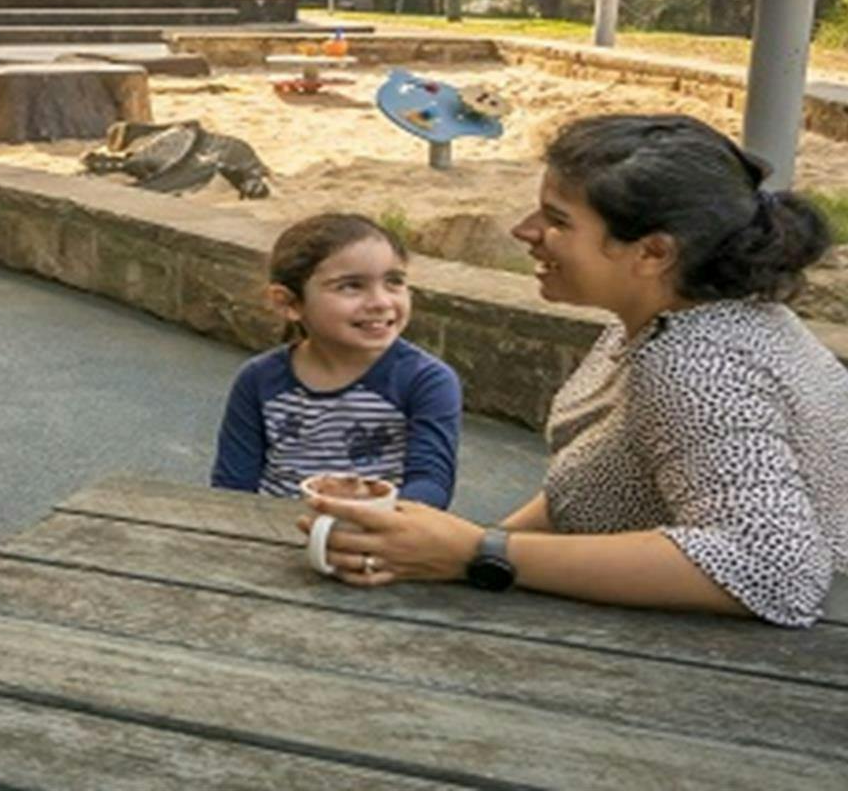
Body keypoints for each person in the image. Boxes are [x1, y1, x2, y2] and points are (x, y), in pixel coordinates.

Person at [305, 114, 848, 626]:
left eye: (557, 219)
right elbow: (596, 487)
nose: (525, 230)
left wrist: (481, 552)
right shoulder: (669, 321)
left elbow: (777, 570)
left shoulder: (698, 364)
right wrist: (444, 551)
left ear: (654, 252)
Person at [212, 212, 461, 508]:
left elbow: (431, 484)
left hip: (380, 536)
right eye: (351, 286)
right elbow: (232, 486)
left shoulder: (426, 380)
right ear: (288, 303)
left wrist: (376, 523)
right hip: (272, 530)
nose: (381, 302)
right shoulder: (258, 380)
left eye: (393, 281)